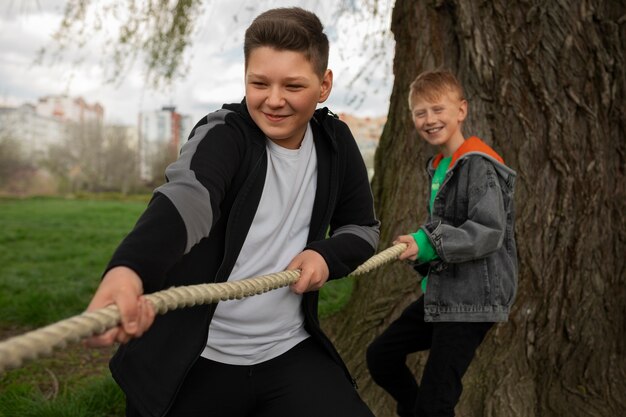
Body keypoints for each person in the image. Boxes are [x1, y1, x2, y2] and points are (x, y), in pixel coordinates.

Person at [85, 7, 380, 417]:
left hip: (288, 349)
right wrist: (128, 270)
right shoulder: (223, 133)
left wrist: (325, 256)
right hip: (197, 357)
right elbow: (186, 201)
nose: (273, 100)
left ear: (324, 84)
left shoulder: (336, 142)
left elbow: (363, 229)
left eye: (293, 85)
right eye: (259, 83)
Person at [366, 69, 518, 417]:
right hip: (444, 294)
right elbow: (445, 231)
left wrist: (430, 243)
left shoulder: (477, 165)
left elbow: (488, 231)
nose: (429, 119)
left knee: (436, 402)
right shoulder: (439, 166)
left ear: (461, 110)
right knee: (381, 357)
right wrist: (419, 250)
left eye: (438, 109)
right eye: (421, 112)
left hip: (471, 302)